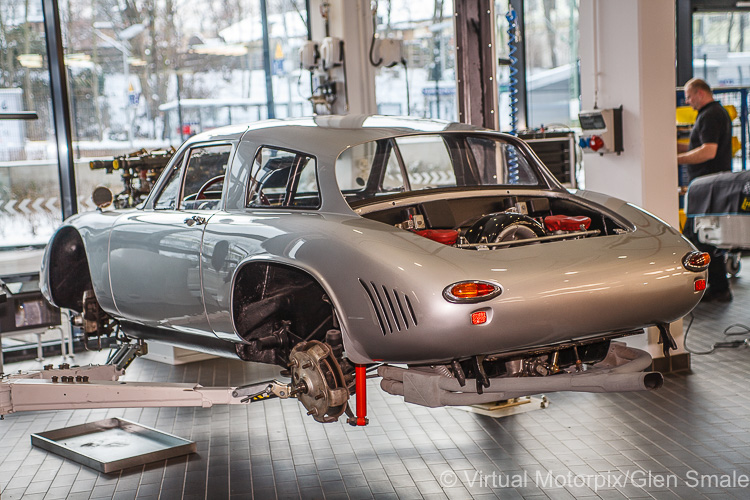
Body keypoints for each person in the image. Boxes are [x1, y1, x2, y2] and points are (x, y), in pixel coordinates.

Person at [678, 78, 733, 302]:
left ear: (700, 93)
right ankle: (718, 286)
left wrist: (676, 159)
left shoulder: (710, 115)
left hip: (707, 187)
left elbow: (708, 152)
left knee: (697, 236)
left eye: (690, 96)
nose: (688, 102)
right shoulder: (713, 113)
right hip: (706, 186)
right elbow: (697, 147)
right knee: (703, 236)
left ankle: (715, 287)